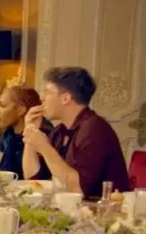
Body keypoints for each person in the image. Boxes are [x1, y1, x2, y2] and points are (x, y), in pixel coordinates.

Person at [22, 67, 130, 197]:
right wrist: (30, 131)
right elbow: (34, 180)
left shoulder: (95, 129)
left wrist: (45, 148)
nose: (42, 98)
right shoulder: (60, 131)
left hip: (103, 212)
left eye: (47, 92)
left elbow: (79, 189)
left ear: (66, 98)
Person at [0, 85, 44, 178]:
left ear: (21, 110)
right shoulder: (6, 134)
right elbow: (0, 173)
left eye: (2, 106)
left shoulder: (41, 135)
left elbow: (36, 179)